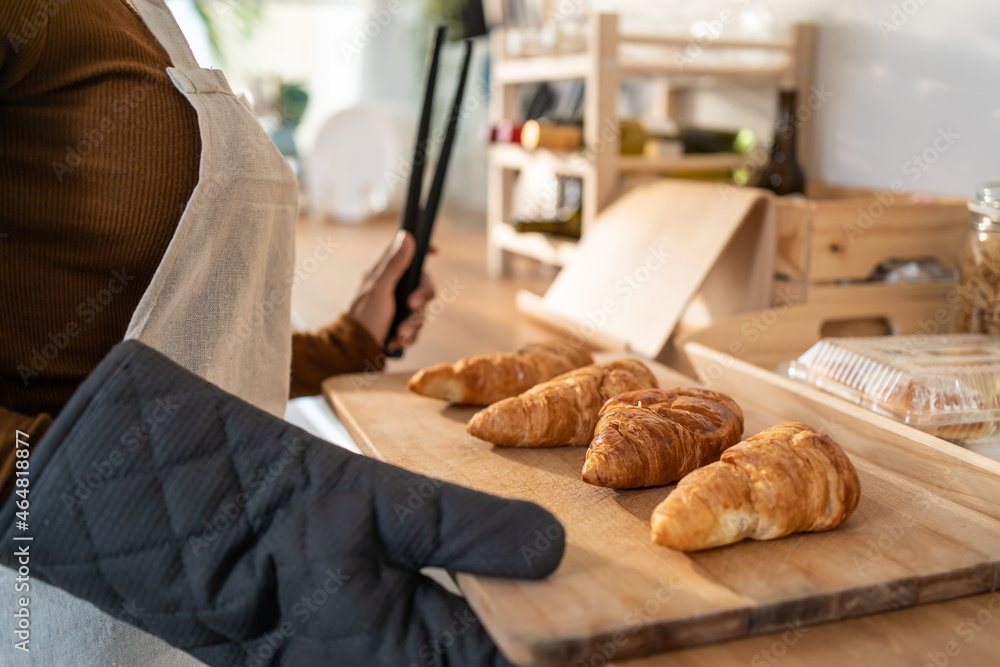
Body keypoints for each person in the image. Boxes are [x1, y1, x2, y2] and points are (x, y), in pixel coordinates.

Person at [0, 1, 565, 665]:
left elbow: (186, 340)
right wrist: (193, 525)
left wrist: (350, 341)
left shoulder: (151, 20)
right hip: (53, 612)